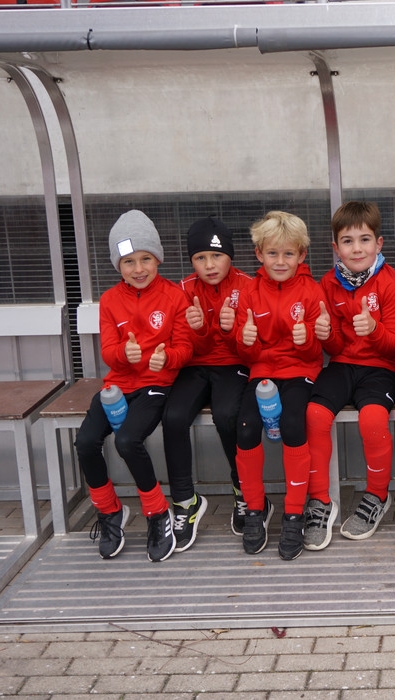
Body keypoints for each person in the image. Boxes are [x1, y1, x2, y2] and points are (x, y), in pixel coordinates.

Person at [75, 210, 193, 561]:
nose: (138, 269)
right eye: (128, 261)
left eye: (146, 259)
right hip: (117, 385)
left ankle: (157, 513)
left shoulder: (174, 297)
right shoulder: (110, 300)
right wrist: (124, 355)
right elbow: (109, 352)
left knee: (127, 440)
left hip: (155, 385)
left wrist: (166, 358)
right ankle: (110, 511)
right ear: (118, 265)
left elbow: (185, 348)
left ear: (158, 259)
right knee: (85, 442)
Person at [233, 210, 330, 560]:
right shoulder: (248, 291)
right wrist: (245, 341)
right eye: (272, 253)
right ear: (259, 253)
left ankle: (293, 513)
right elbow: (246, 353)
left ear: (301, 255)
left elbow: (316, 351)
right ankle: (255, 509)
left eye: (288, 253)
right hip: (262, 372)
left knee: (293, 424)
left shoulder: (311, 291)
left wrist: (307, 340)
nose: (280, 261)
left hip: (300, 372)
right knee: (245, 428)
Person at [307, 201, 395, 546]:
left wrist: (374, 330)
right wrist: (325, 334)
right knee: (314, 414)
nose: (357, 248)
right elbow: (335, 346)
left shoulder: (390, 282)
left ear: (379, 243)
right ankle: (320, 501)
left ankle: (377, 495)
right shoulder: (328, 282)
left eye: (365, 239)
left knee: (373, 419)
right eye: (348, 241)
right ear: (336, 247)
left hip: (381, 367)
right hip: (343, 365)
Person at [161, 217, 252, 552]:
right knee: (173, 417)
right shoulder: (183, 289)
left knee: (227, 415)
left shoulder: (248, 285)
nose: (210, 265)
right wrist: (199, 329)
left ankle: (243, 490)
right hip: (195, 366)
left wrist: (229, 329)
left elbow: (249, 347)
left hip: (234, 365)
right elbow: (185, 348)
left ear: (230, 255)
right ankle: (186, 501)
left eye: (217, 255)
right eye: (200, 258)